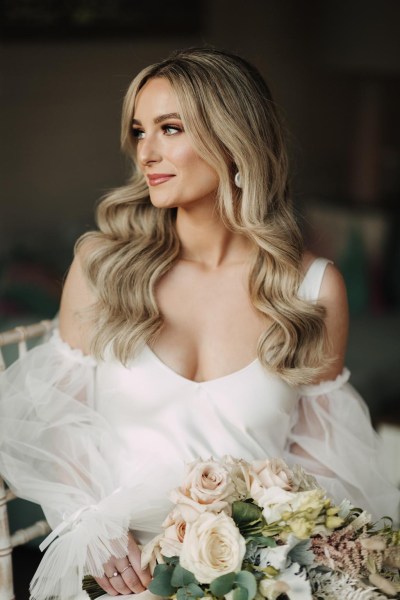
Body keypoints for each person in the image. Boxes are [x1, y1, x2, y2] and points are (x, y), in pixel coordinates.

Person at [0, 47, 399, 600]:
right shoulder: (102, 268)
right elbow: (59, 423)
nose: (147, 152)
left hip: (250, 580)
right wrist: (92, 526)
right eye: (140, 132)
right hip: (118, 571)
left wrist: (273, 563)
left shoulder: (311, 289)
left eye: (170, 128)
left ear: (234, 139)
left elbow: (319, 460)